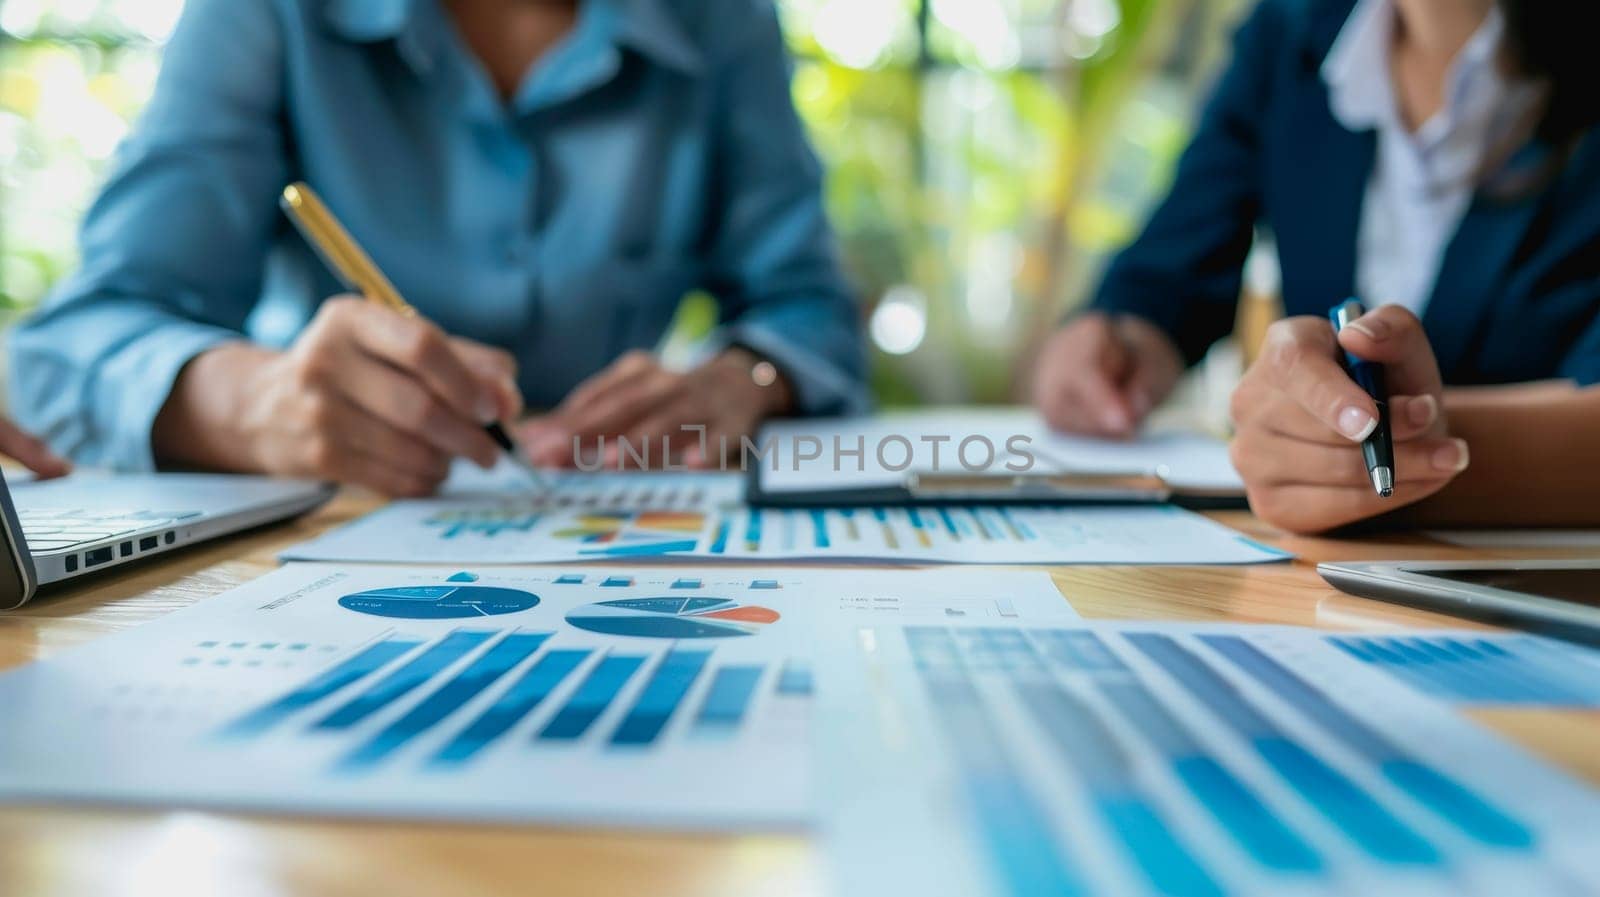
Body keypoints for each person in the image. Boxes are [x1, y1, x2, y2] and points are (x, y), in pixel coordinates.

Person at [9, 0, 865, 496]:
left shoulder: (725, 22)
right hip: (333, 516)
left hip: (619, 509)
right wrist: (255, 402)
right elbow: (70, 345)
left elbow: (809, 310)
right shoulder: (266, 14)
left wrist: (747, 379)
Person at [1032, 0, 1600, 533]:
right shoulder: (1294, 28)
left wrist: (1357, 448)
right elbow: (1168, 274)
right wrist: (1117, 346)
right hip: (1327, 590)